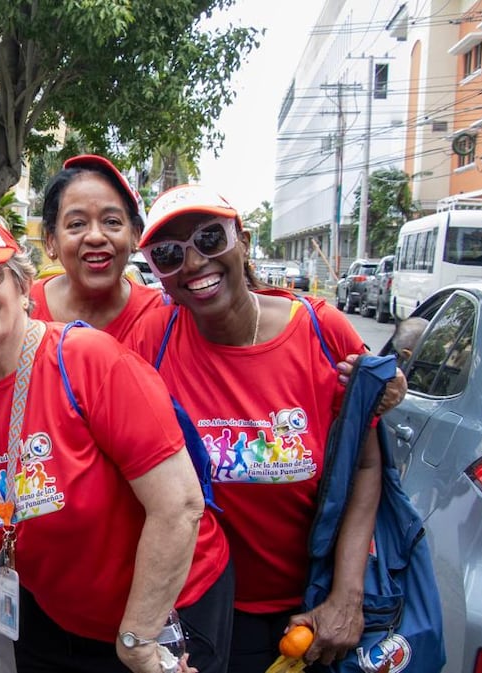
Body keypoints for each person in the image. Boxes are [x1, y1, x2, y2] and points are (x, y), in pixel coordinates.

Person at [0, 213, 234, 673]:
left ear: (22, 285)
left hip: (165, 609)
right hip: (53, 616)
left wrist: (137, 637)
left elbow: (180, 505)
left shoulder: (87, 361)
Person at [126, 185, 384, 673]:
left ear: (241, 240)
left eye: (209, 238)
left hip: (312, 605)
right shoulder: (151, 343)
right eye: (168, 254)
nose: (194, 262)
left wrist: (348, 596)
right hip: (203, 610)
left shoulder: (322, 332)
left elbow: (367, 462)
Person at [32, 154, 163, 337]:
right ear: (51, 240)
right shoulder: (22, 310)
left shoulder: (163, 317)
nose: (95, 237)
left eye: (111, 221)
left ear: (135, 235)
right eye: (77, 224)